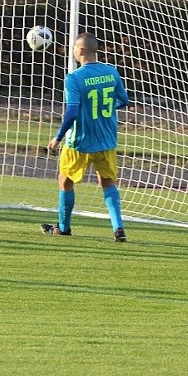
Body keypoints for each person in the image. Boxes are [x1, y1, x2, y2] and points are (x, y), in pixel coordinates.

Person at [42, 32, 131, 242]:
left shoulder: (74, 78)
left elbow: (72, 112)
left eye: (73, 47)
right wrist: (101, 109)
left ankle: (63, 228)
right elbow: (124, 100)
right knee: (108, 183)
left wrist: (57, 137)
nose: (72, 50)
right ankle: (118, 229)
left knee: (65, 180)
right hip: (107, 138)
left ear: (80, 51)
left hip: (80, 141)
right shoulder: (111, 72)